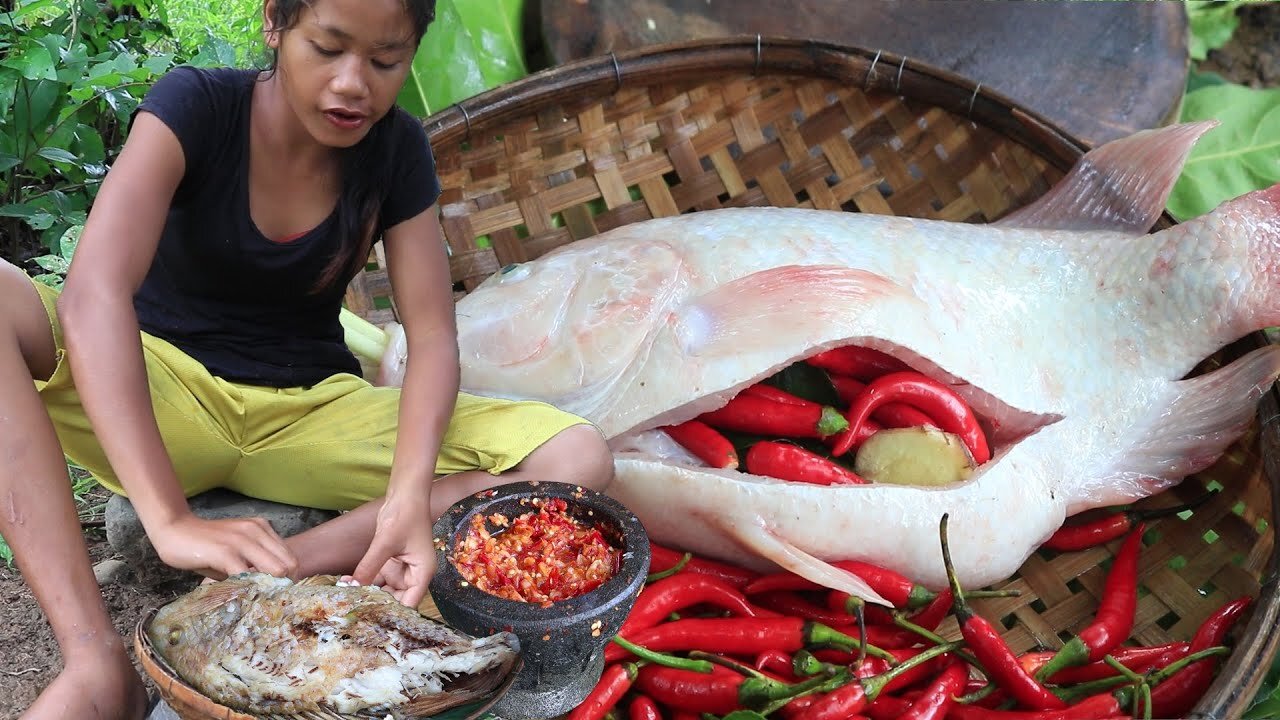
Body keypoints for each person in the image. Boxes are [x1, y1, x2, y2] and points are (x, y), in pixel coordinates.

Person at [0, 0, 615, 717]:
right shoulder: (195, 106)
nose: (354, 82)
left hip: (310, 411)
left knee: (576, 457)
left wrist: (409, 499)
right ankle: (94, 657)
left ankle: (283, 573)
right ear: (274, 24)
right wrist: (167, 518)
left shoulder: (396, 152)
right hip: (166, 397)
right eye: (328, 48)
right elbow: (93, 291)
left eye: (386, 61)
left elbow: (434, 337)